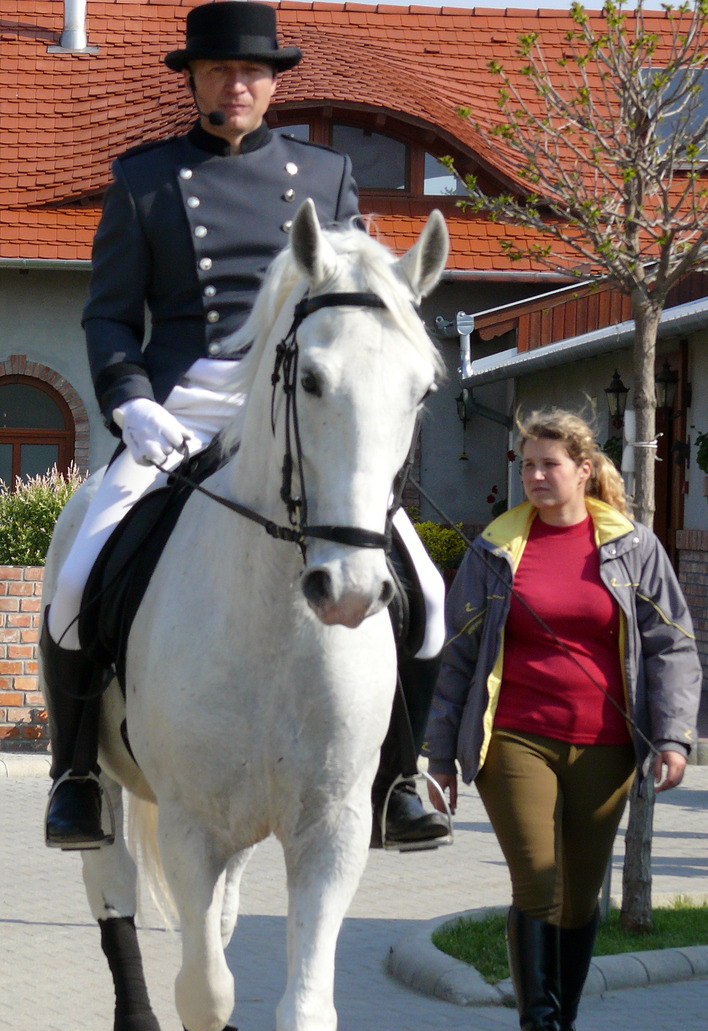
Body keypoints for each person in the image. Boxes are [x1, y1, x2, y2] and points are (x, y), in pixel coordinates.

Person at [40, 1, 449, 853]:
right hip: (180, 410)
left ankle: (399, 779)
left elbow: (348, 313)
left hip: (295, 408)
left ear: (273, 84)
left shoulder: (327, 176)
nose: (237, 85)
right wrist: (131, 402)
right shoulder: (145, 179)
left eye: (253, 72)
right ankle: (75, 776)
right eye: (220, 71)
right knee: (77, 577)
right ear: (193, 80)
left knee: (429, 592)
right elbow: (109, 315)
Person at [425, 409, 702, 1031]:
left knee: (579, 897)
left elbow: (671, 644)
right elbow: (458, 658)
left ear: (584, 469)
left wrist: (673, 736)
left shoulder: (632, 547)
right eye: (527, 464)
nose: (536, 476)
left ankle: (567, 1023)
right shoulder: (496, 549)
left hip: (606, 745)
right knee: (538, 884)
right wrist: (439, 755)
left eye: (549, 464)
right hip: (514, 736)